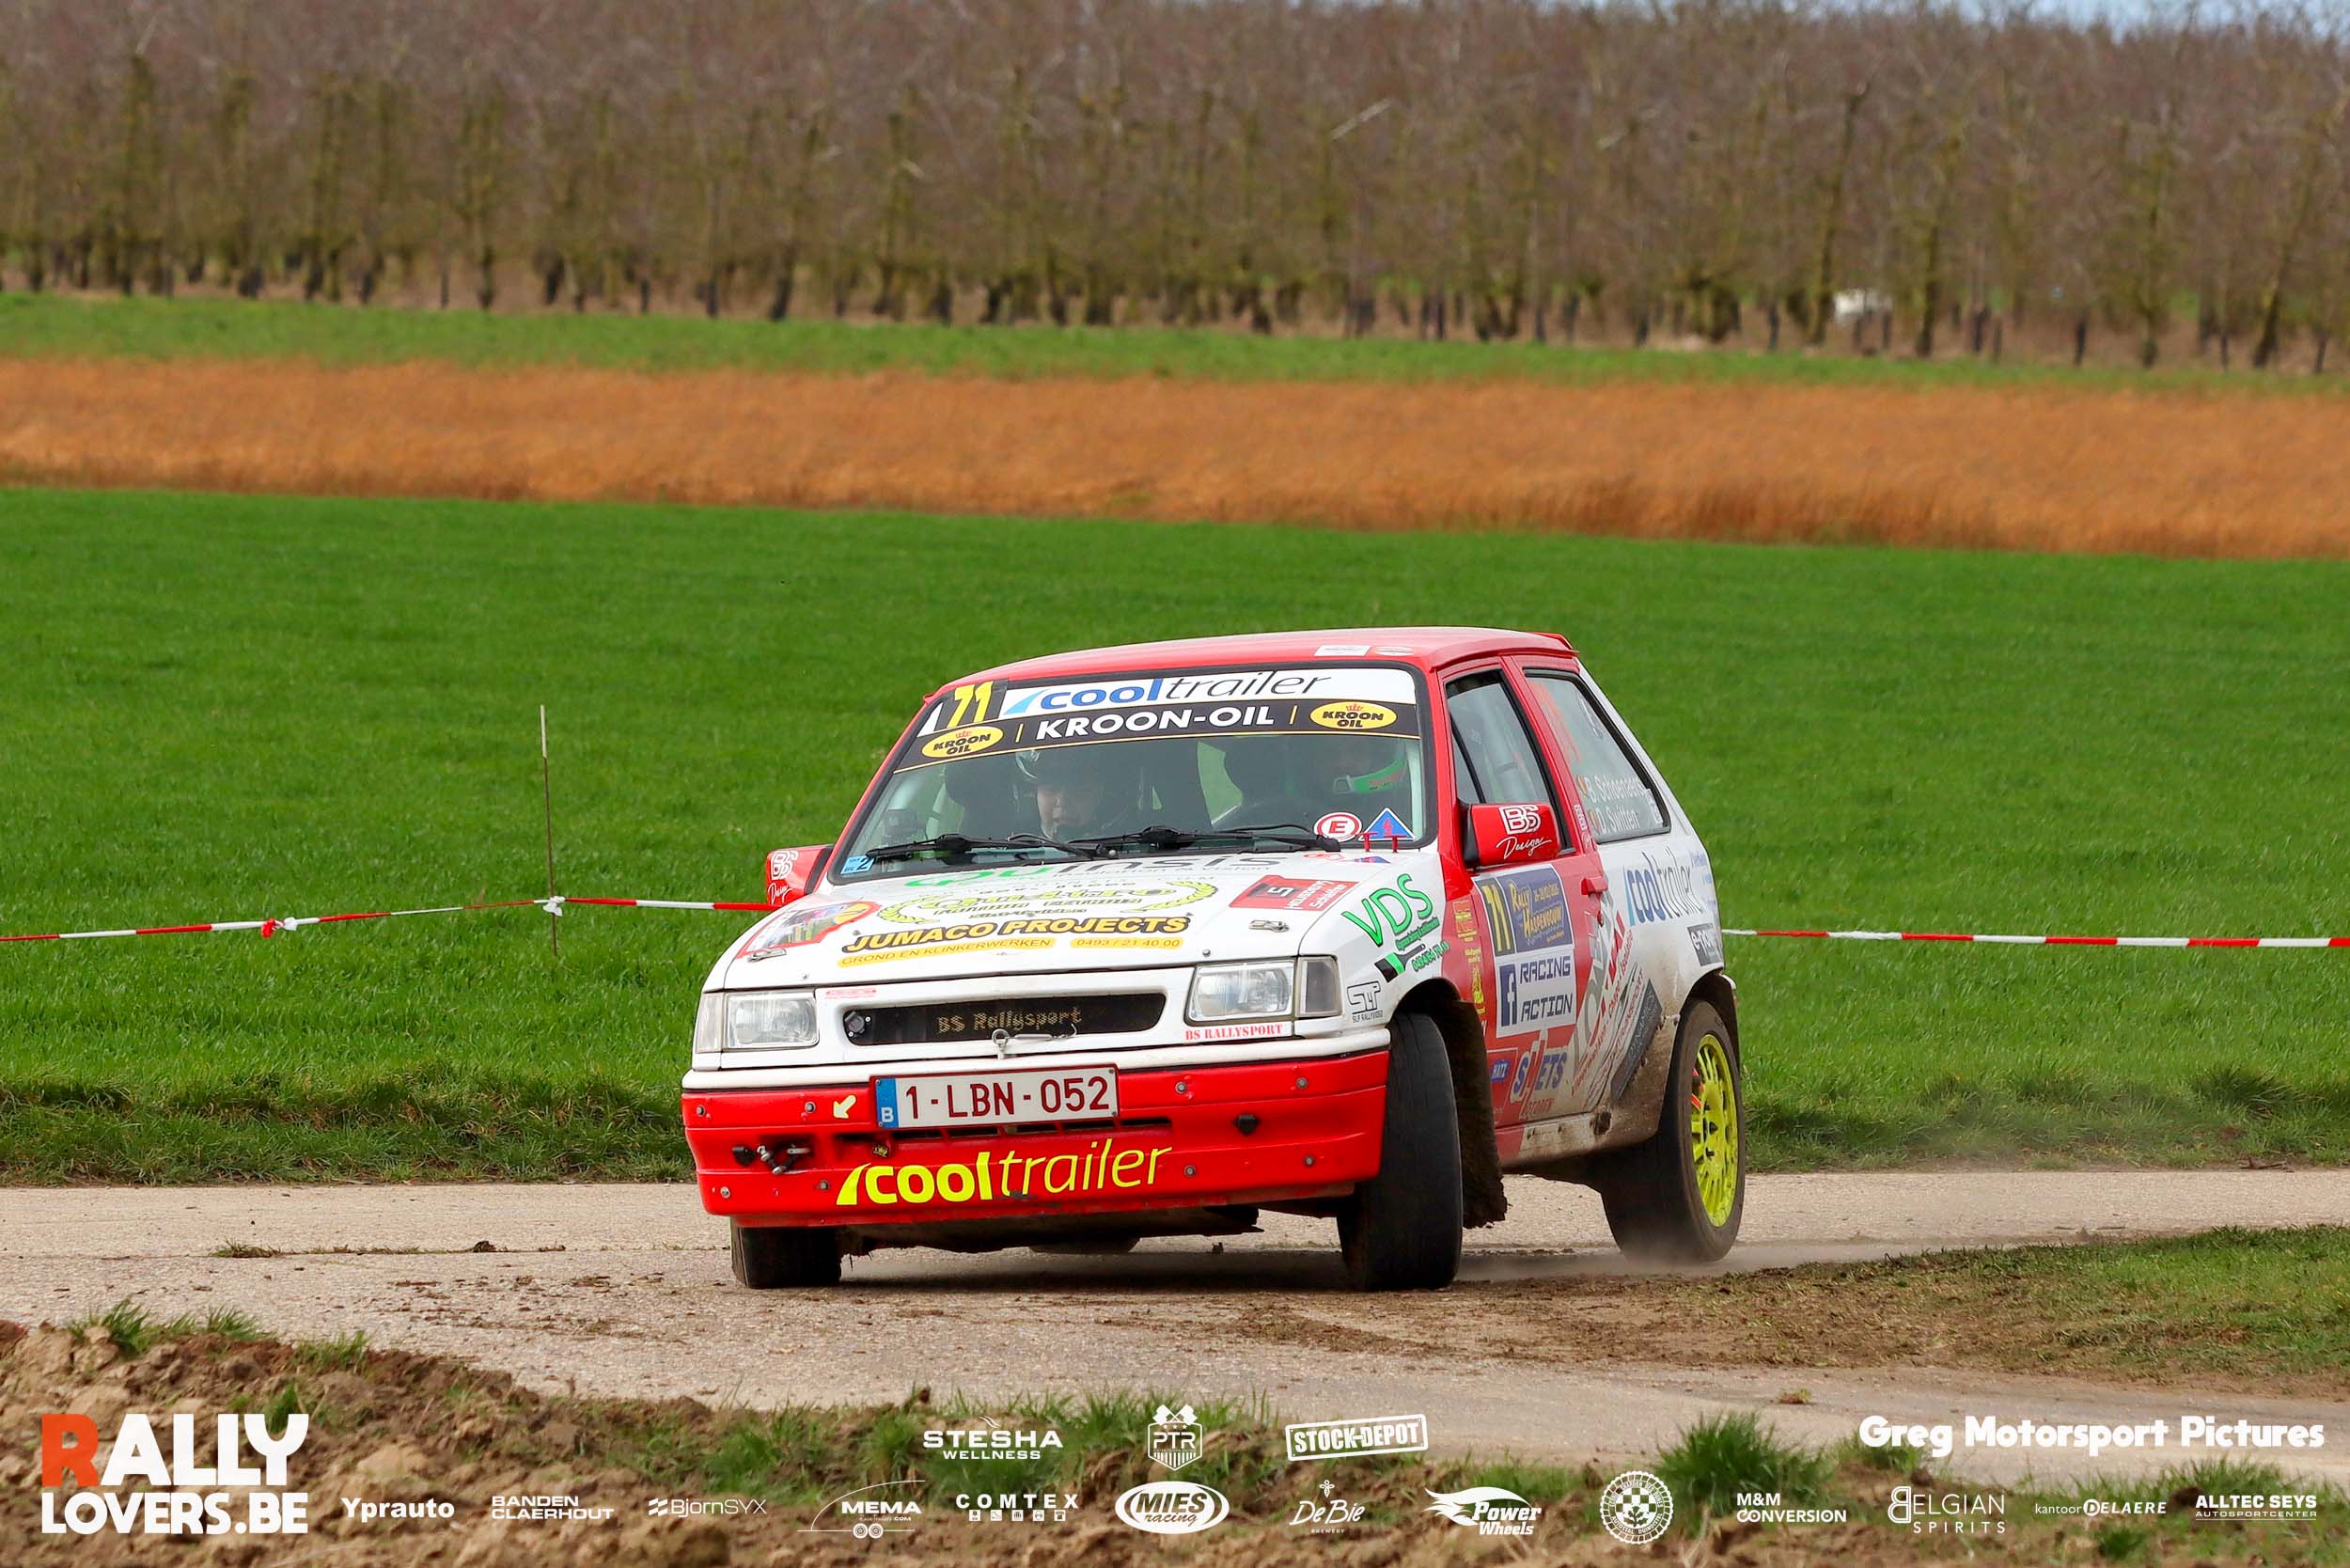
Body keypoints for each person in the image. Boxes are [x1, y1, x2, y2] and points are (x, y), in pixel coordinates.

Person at [1022, 745, 1146, 840]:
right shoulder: (1014, 849)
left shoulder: (1135, 843)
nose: (1062, 802)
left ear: (1101, 796)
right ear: (1035, 795)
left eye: (1078, 791)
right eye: (1051, 790)